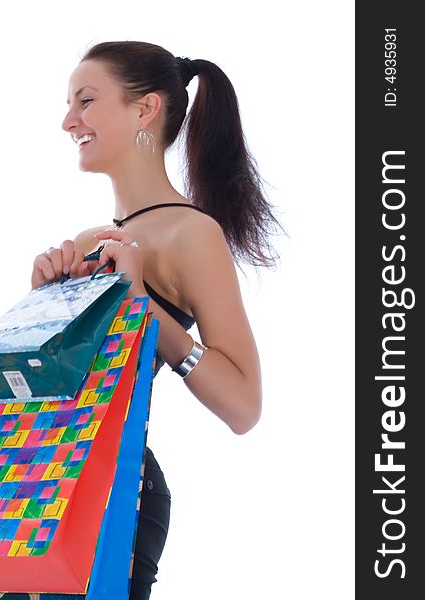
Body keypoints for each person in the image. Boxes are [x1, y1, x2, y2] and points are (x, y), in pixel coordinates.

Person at [31, 41, 281, 598]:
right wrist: (38, 309)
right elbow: (46, 389)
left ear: (144, 110)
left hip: (117, 490)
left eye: (86, 101)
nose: (69, 120)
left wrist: (140, 303)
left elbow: (244, 407)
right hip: (42, 480)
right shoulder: (88, 242)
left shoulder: (192, 234)